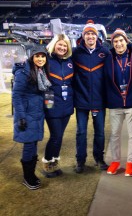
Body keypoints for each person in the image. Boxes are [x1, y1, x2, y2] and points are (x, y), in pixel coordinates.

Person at [104, 28, 132, 177]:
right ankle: (115, 161)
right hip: (115, 102)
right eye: (115, 41)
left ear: (126, 41)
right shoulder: (108, 58)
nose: (118, 44)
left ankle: (130, 163)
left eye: (121, 40)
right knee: (115, 134)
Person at [72, 20, 111, 173]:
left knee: (100, 132)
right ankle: (80, 160)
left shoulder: (105, 52)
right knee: (81, 132)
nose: (90, 36)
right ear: (83, 36)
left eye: (92, 34)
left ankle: (99, 158)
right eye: (87, 33)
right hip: (81, 100)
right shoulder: (75, 53)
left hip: (99, 101)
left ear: (97, 36)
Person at [12, 46, 51, 190]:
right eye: (37, 56)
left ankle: (31, 175)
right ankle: (27, 177)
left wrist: (49, 106)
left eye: (43, 56)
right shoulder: (24, 72)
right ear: (32, 57)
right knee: (29, 145)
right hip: (27, 114)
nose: (40, 59)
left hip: (37, 113)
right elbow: (16, 95)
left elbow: (45, 92)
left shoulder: (41, 71)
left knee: (33, 144)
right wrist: (21, 117)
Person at [42, 34, 74, 178]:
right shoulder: (46, 60)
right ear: (54, 45)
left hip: (66, 103)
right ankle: (47, 164)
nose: (62, 47)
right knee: (55, 136)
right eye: (59, 44)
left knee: (59, 136)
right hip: (51, 101)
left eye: (65, 45)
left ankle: (54, 163)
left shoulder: (70, 61)